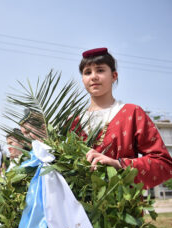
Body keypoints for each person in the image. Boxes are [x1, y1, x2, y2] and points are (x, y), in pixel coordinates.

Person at [72, 47, 172, 189]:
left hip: (122, 205)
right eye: (87, 72)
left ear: (114, 76)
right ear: (82, 79)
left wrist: (118, 164)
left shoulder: (132, 113)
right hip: (80, 209)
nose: (93, 76)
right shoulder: (72, 121)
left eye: (100, 70)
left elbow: (163, 163)